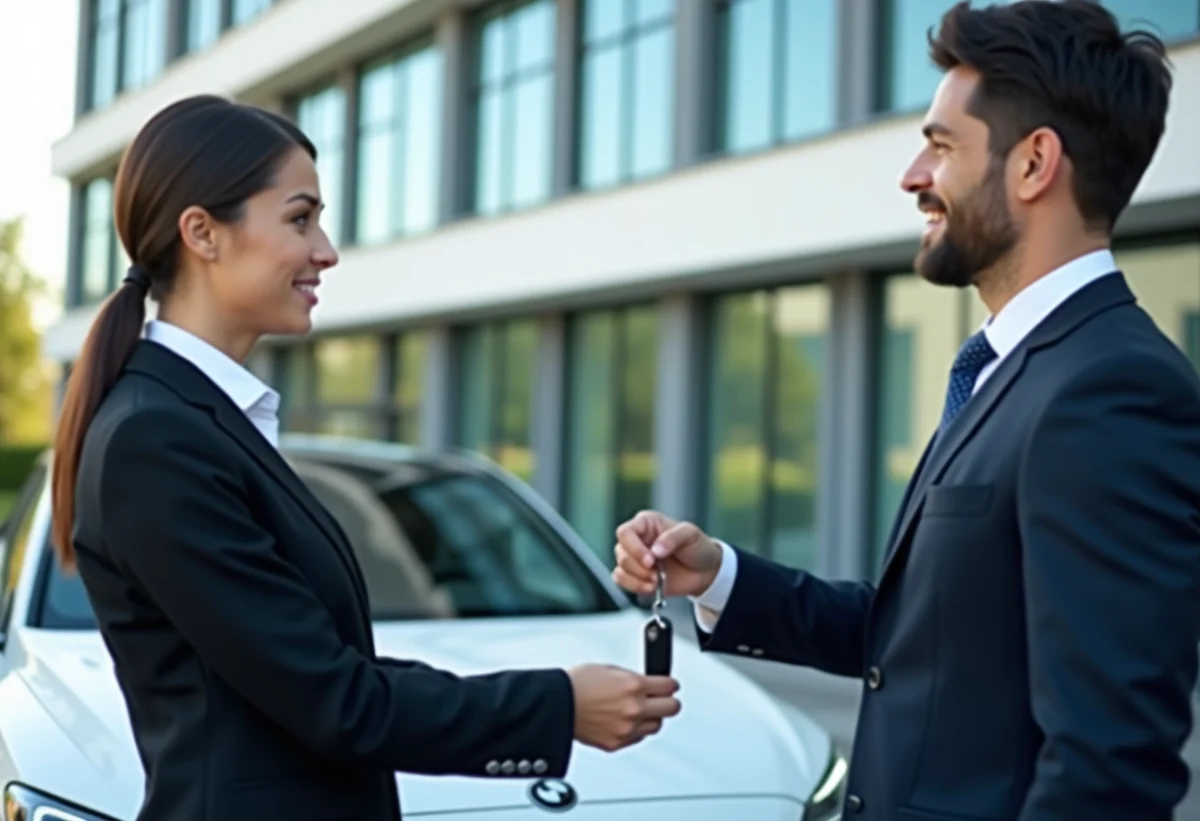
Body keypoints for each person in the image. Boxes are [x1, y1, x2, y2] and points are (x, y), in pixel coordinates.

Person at [614, 1, 1200, 819]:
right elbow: (930, 638)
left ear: (1034, 164)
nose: (912, 176)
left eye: (940, 144)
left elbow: (1111, 766)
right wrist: (722, 576)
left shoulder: (1110, 391)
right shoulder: (1015, 371)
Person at [49, 94, 680, 821]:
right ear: (203, 232)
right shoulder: (154, 438)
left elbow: (326, 672)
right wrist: (558, 705)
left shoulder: (200, 421)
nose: (327, 249)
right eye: (299, 217)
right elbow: (333, 698)